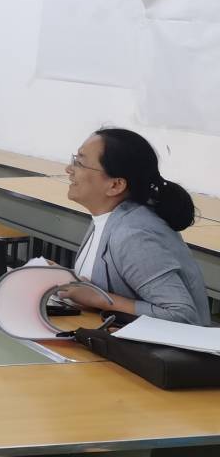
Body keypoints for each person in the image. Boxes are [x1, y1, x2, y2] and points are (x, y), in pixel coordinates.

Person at [57, 128, 208, 325]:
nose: (69, 169)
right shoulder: (107, 215)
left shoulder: (133, 236)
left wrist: (102, 300)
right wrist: (65, 277)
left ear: (115, 185)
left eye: (80, 163)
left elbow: (183, 316)